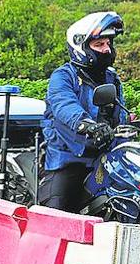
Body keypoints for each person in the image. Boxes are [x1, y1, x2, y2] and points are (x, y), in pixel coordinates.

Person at [39, 11, 129, 214]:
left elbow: (120, 114)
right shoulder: (63, 76)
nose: (107, 50)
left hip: (105, 156)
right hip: (69, 157)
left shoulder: (111, 79)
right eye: (99, 45)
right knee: (55, 214)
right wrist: (88, 125)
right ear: (81, 47)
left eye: (108, 44)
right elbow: (64, 106)